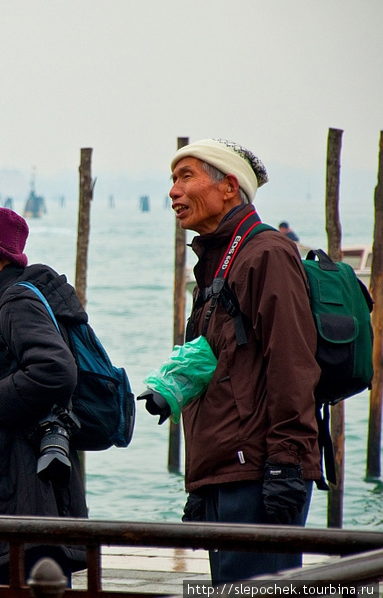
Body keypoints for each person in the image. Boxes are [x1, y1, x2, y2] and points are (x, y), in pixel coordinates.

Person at [168, 139, 320, 583]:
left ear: (229, 187)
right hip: (226, 473)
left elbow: (292, 365)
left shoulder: (266, 253)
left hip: (260, 472)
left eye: (186, 177)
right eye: (172, 180)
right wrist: (200, 482)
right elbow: (217, 374)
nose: (173, 192)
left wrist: (286, 465)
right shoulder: (217, 262)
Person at [0, 203, 88, 586]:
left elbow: (55, 371)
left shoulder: (14, 302)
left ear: (0, 255)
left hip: (18, 515)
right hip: (13, 513)